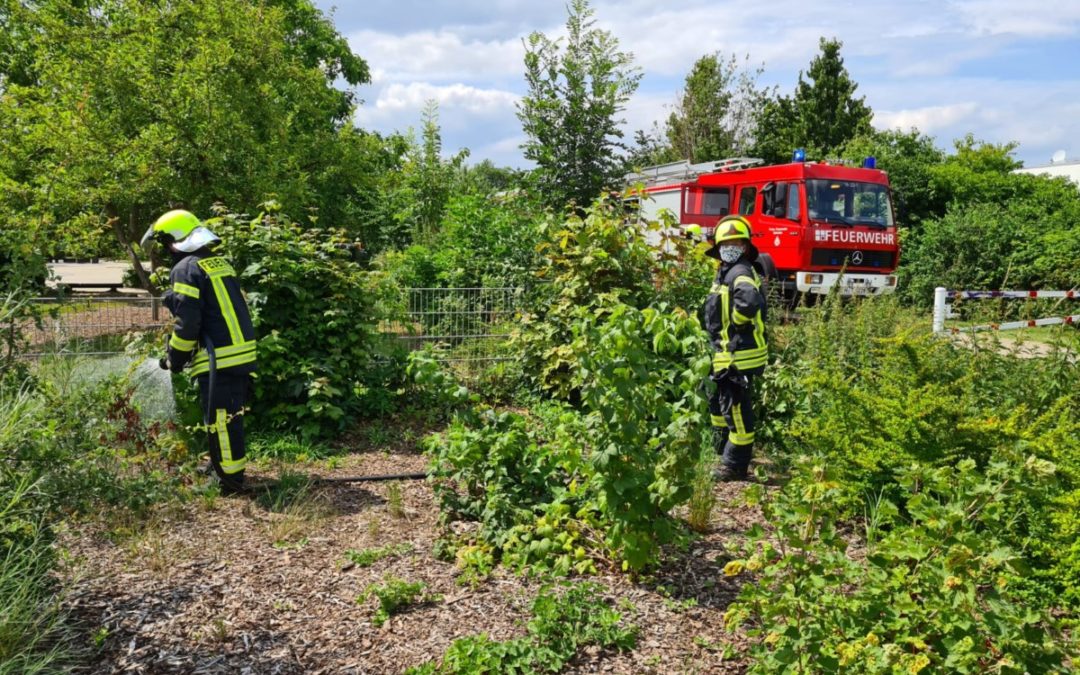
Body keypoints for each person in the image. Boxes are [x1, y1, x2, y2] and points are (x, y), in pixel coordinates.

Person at [141, 210, 257, 493]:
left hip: (220, 358)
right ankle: (222, 465)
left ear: (173, 240)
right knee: (230, 418)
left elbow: (188, 323)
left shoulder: (184, 269)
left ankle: (228, 480)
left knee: (220, 421)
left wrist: (175, 357)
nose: (165, 249)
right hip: (240, 353)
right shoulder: (218, 263)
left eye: (165, 242)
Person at [702, 215, 768, 481]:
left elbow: (748, 302)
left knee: (737, 410)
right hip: (725, 355)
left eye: (737, 242)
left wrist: (736, 328)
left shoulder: (739, 272)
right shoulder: (725, 271)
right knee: (719, 405)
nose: (731, 247)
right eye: (726, 243)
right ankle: (720, 451)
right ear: (718, 247)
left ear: (745, 246)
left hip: (738, 357)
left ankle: (734, 466)